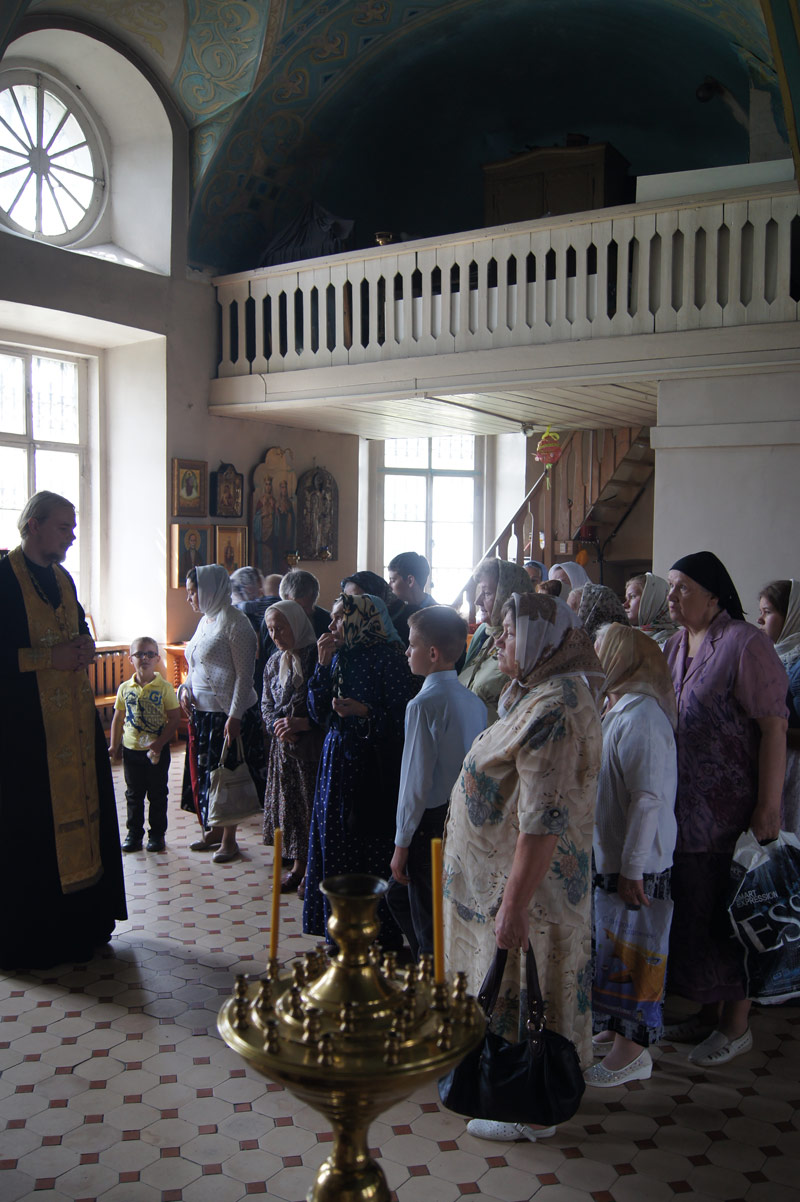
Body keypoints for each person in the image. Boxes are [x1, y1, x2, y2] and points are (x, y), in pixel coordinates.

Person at [443, 592, 603, 1142]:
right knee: (517, 990)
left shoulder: (557, 708)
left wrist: (512, 906)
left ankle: (528, 1108)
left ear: (541, 640)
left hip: (530, 893)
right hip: (506, 882)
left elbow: (543, 820)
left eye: (509, 633)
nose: (497, 642)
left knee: (529, 993)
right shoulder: (540, 692)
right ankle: (520, 1095)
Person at [663, 552, 787, 1065]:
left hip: (731, 810)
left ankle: (737, 1025)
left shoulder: (744, 643)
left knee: (733, 916)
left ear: (713, 595)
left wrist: (768, 806)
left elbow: (773, 728)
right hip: (684, 810)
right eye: (670, 587)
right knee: (698, 912)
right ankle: (707, 1012)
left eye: (682, 588)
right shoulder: (674, 644)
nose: (671, 596)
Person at [0, 491, 127, 968]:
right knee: (34, 827)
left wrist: (86, 645)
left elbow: (78, 629)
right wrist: (47, 658)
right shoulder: (3, 580)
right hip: (26, 734)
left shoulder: (62, 578)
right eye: (63, 527)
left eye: (73, 528)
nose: (72, 536)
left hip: (75, 726)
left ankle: (85, 921)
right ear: (33, 525)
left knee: (89, 818)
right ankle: (39, 936)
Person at [585, 623, 678, 1087]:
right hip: (614, 856)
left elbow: (646, 799)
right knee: (614, 946)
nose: (592, 654)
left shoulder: (642, 716)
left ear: (622, 659)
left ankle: (634, 1051)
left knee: (637, 951)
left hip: (638, 863)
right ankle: (614, 1027)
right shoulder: (619, 707)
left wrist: (633, 868)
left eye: (600, 648)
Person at [303, 593, 420, 947]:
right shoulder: (337, 656)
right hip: (336, 760)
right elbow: (316, 713)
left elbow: (402, 721)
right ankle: (340, 931)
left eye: (340, 618)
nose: (331, 625)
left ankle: (379, 934)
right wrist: (322, 667)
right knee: (334, 839)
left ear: (363, 619)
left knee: (371, 844)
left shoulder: (389, 658)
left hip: (373, 763)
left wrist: (364, 712)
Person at [387, 607, 487, 959]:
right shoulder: (473, 702)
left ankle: (432, 975)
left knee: (425, 911)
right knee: (411, 898)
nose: (406, 652)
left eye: (411, 645)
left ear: (432, 653)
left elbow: (415, 782)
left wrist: (401, 842)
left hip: (429, 822)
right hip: (462, 816)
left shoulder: (423, 705)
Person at [180, 564, 267, 863]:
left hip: (228, 714)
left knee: (229, 774)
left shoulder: (236, 623)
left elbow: (245, 676)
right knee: (210, 775)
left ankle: (229, 840)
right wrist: (184, 690)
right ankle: (215, 830)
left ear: (210, 590)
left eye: (193, 592)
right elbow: (194, 663)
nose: (189, 599)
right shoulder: (206, 620)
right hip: (204, 714)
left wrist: (235, 715)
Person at [261, 600, 323, 896]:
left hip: (310, 749)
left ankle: (313, 868)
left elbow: (326, 704)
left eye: (281, 628)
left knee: (310, 805)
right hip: (283, 750)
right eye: (271, 629)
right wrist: (276, 725)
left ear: (296, 624)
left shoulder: (317, 659)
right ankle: (298, 866)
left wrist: (303, 724)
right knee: (291, 808)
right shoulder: (274, 662)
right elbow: (266, 703)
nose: (276, 635)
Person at [110, 637, 180, 853]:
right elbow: (118, 719)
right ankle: (134, 834)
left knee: (157, 793)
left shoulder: (165, 688)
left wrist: (160, 743)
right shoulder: (125, 688)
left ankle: (157, 835)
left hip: (157, 751)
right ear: (131, 659)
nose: (145, 658)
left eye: (150, 654)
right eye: (139, 654)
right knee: (134, 794)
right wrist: (114, 746)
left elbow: (174, 719)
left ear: (157, 658)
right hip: (131, 751)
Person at [458, 557, 533, 724]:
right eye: (480, 592)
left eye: (487, 593)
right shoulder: (485, 636)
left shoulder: (523, 645)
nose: (478, 601)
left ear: (507, 595)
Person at [757, 579, 800, 833]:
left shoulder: (797, 666)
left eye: (768, 612)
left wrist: (768, 730)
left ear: (792, 616)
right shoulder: (778, 658)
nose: (760, 620)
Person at [341, 569, 413, 645]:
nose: (349, 604)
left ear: (375, 598)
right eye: (346, 599)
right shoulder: (350, 624)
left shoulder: (410, 619)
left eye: (356, 599)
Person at [624, 572, 677, 646]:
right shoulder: (624, 636)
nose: (625, 605)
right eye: (626, 598)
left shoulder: (675, 642)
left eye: (632, 596)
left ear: (652, 600)